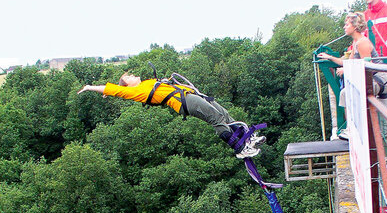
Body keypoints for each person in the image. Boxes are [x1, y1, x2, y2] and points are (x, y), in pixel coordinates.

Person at [78, 73, 266, 158]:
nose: (134, 75)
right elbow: (115, 90)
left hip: (190, 94)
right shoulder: (136, 92)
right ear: (127, 85)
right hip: (185, 102)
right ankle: (240, 149)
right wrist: (91, 88)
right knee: (216, 119)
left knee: (224, 113)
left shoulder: (146, 84)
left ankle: (247, 139)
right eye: (129, 77)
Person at [318, 12, 387, 139]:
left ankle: (351, 130)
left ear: (354, 26)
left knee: (345, 93)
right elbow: (349, 62)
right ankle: (353, 130)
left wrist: (346, 70)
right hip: (376, 80)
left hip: (381, 80)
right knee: (384, 125)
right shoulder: (356, 42)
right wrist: (330, 57)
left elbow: (366, 67)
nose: (344, 27)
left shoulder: (362, 43)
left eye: (346, 24)